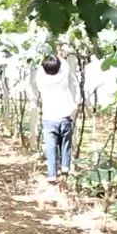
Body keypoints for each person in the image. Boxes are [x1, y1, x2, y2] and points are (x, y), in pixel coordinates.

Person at [35, 54, 78, 184]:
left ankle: (52, 176)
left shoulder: (41, 81)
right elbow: (65, 65)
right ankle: (65, 170)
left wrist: (45, 57)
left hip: (49, 120)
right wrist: (59, 55)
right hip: (64, 117)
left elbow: (39, 68)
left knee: (51, 148)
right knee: (66, 146)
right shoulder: (63, 77)